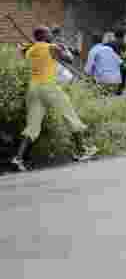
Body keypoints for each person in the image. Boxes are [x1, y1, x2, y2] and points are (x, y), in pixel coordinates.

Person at [8, 27, 98, 173]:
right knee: (70, 116)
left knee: (32, 127)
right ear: (44, 35)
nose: (51, 35)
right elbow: (69, 60)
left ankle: (18, 158)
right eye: (49, 33)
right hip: (49, 87)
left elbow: (24, 52)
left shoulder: (30, 50)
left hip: (33, 89)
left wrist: (29, 47)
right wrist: (64, 49)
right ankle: (82, 150)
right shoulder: (52, 47)